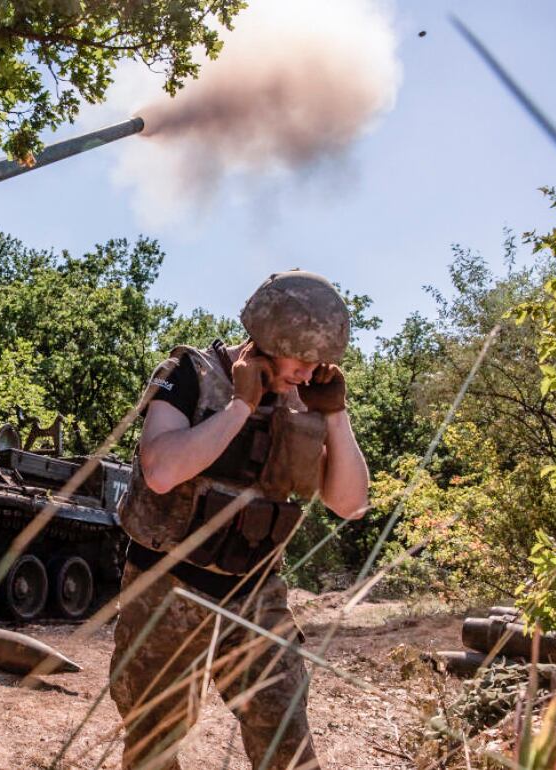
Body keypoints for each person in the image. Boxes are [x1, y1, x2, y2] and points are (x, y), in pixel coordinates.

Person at [109, 270, 370, 770]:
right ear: (269, 337)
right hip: (169, 590)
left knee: (286, 740)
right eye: (302, 356)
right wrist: (239, 407)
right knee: (152, 743)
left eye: (321, 361)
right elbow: (161, 471)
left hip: (255, 597)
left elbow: (350, 504)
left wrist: (335, 416)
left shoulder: (304, 402)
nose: (310, 369)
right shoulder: (188, 373)